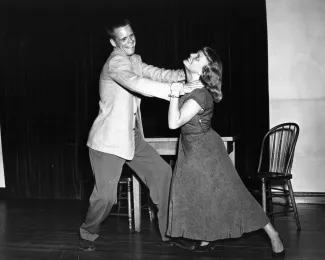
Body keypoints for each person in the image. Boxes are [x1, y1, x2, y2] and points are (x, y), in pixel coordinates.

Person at [78, 18, 195, 251]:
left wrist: (188, 76)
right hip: (108, 142)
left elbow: (157, 74)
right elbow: (138, 83)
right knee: (106, 197)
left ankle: (169, 232)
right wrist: (176, 90)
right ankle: (88, 233)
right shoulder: (115, 64)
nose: (130, 41)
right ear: (114, 42)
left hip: (132, 138)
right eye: (124, 38)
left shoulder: (135, 60)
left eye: (131, 35)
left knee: (162, 173)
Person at [165, 47, 285, 257]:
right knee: (198, 194)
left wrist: (174, 93)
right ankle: (205, 237)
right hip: (192, 149)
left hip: (205, 151)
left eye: (198, 57)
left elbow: (174, 123)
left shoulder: (200, 95)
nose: (192, 54)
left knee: (234, 194)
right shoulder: (191, 86)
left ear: (204, 70)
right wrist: (177, 88)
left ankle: (273, 235)